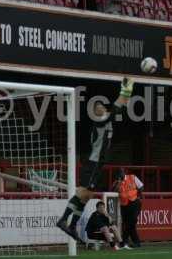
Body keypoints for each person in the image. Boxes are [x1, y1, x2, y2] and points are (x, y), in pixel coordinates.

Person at [57, 78, 134, 242]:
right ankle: (64, 220)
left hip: (96, 164)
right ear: (95, 113)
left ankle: (71, 225)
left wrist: (127, 90)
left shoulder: (107, 119)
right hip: (93, 163)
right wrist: (125, 91)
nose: (100, 109)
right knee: (83, 193)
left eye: (101, 107)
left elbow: (119, 107)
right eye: (96, 108)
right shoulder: (99, 121)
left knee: (86, 196)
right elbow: (116, 107)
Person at [113, 168, 143, 247]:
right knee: (129, 224)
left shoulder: (132, 177)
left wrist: (139, 196)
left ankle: (123, 241)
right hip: (124, 205)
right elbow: (113, 191)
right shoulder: (117, 182)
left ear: (124, 173)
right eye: (118, 174)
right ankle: (136, 243)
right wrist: (118, 184)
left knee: (132, 221)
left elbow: (141, 186)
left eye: (121, 174)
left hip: (135, 203)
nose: (120, 176)